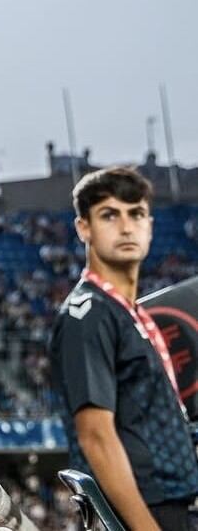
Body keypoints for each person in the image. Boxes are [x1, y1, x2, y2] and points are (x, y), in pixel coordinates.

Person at [49, 166, 198, 531]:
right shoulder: (88, 314)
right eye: (109, 215)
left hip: (171, 502)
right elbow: (96, 436)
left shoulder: (127, 313)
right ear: (84, 227)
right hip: (147, 511)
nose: (126, 227)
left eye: (137, 214)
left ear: (150, 225)